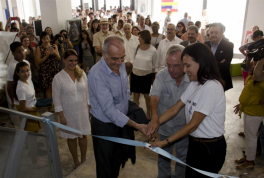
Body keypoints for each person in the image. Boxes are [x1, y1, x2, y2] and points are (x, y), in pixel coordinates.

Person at [150, 43, 227, 178]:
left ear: (201, 62)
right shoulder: (195, 84)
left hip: (209, 148)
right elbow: (175, 109)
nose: (185, 70)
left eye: (187, 65)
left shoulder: (211, 87)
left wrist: (166, 142)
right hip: (195, 144)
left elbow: (193, 125)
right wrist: (153, 124)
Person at [88, 36, 148, 178]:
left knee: (117, 159)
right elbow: (109, 110)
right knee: (105, 165)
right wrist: (136, 125)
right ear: (103, 54)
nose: (120, 62)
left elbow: (125, 93)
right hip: (104, 126)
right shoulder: (96, 74)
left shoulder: (120, 65)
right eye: (115, 58)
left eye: (122, 57)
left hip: (121, 123)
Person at [148, 44, 189, 178]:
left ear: (185, 63)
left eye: (176, 66)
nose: (171, 70)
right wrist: (154, 118)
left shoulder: (192, 78)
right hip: (166, 128)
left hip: (185, 128)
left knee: (183, 158)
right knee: (164, 157)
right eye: (168, 65)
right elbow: (154, 97)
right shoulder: (161, 75)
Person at [52, 49, 91, 169]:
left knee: (83, 135)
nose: (73, 63)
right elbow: (56, 98)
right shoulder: (58, 78)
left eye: (75, 60)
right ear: (63, 60)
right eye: (70, 60)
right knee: (72, 137)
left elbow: (88, 92)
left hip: (82, 110)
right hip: (68, 112)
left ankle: (84, 158)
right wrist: (61, 116)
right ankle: (76, 160)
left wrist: (89, 108)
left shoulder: (82, 74)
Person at [13, 61, 47, 168]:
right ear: (17, 73)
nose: (26, 73)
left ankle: (36, 157)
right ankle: (34, 161)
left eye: (27, 70)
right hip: (28, 114)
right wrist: (37, 109)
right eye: (22, 72)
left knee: (34, 138)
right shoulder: (21, 87)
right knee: (32, 140)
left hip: (32, 111)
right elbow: (23, 108)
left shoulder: (28, 82)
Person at [233, 68, 264, 169]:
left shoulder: (261, 80)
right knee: (248, 136)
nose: (255, 65)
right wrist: (241, 104)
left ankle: (249, 161)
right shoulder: (253, 77)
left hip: (255, 113)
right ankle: (247, 156)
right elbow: (249, 94)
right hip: (248, 110)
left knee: (251, 138)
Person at [130, 30, 157, 120]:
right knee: (135, 96)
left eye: (140, 37)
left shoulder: (153, 50)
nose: (138, 39)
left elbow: (154, 64)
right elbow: (133, 59)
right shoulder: (137, 47)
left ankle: (148, 114)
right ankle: (136, 114)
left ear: (145, 38)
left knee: (147, 96)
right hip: (135, 74)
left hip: (146, 75)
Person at [205, 23, 234, 91]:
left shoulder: (228, 46)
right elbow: (201, 62)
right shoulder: (205, 45)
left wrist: (208, 63)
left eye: (216, 32)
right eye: (211, 32)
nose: (213, 35)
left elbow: (225, 66)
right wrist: (218, 63)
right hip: (206, 80)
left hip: (221, 81)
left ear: (222, 33)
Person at [35, 31, 60, 99]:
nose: (46, 40)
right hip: (46, 71)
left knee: (56, 88)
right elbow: (38, 61)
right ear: (41, 39)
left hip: (54, 69)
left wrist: (55, 53)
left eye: (47, 38)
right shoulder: (39, 48)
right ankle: (50, 107)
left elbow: (59, 59)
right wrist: (46, 56)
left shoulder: (54, 46)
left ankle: (56, 104)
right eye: (44, 39)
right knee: (48, 89)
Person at [7, 42, 31, 107]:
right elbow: (9, 87)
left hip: (28, 96)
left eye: (23, 50)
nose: (22, 53)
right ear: (13, 53)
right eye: (19, 52)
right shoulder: (13, 66)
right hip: (19, 99)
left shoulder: (26, 62)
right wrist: (13, 101)